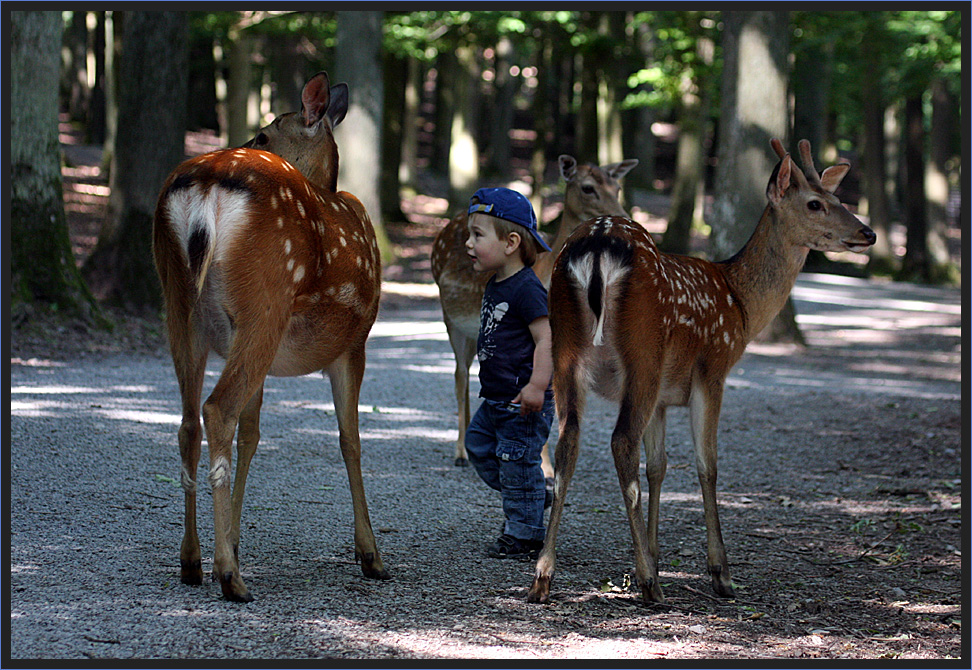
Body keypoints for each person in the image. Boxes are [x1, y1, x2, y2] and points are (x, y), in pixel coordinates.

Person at [463, 187, 555, 559]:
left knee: (516, 464)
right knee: (478, 447)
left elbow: (547, 339)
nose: (468, 243)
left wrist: (537, 385)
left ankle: (525, 536)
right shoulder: (496, 283)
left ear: (511, 242)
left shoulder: (527, 289)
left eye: (477, 235)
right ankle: (532, 494)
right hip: (496, 398)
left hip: (522, 402)